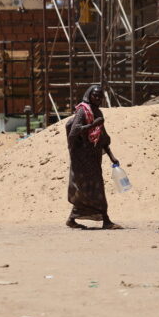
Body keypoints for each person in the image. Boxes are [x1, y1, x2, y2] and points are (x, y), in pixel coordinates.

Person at [65, 85, 122, 230]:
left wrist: (112, 157)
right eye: (95, 95)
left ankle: (72, 219)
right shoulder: (83, 111)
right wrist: (92, 125)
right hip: (82, 160)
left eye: (100, 96)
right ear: (89, 95)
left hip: (94, 159)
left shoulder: (98, 112)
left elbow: (102, 138)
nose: (97, 98)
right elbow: (74, 132)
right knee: (89, 189)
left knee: (92, 189)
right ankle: (106, 220)